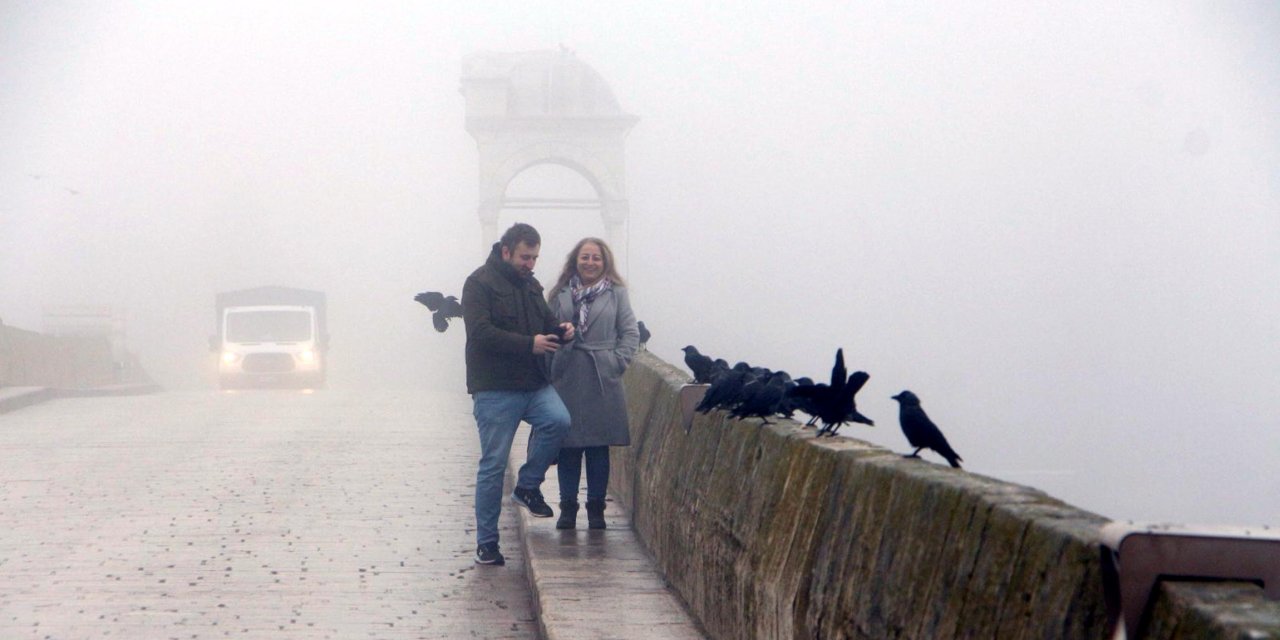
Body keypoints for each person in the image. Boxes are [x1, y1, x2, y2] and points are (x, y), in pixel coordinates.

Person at [461, 222, 575, 565]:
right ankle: (487, 543)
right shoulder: (478, 283)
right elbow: (480, 333)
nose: (530, 264)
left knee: (559, 420)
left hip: (533, 383)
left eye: (535, 258)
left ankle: (527, 486)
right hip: (495, 388)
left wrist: (560, 331)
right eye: (526, 257)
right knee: (493, 466)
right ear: (506, 251)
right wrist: (530, 344)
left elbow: (544, 323)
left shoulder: (531, 285)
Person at [546, 237, 640, 530]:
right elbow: (546, 330)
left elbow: (630, 332)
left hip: (602, 376)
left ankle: (596, 509)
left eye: (596, 258)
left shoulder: (617, 294)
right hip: (568, 372)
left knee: (599, 448)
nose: (590, 263)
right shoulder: (559, 294)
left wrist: (616, 363)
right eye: (585, 257)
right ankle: (568, 508)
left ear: (605, 262)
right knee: (568, 446)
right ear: (575, 260)